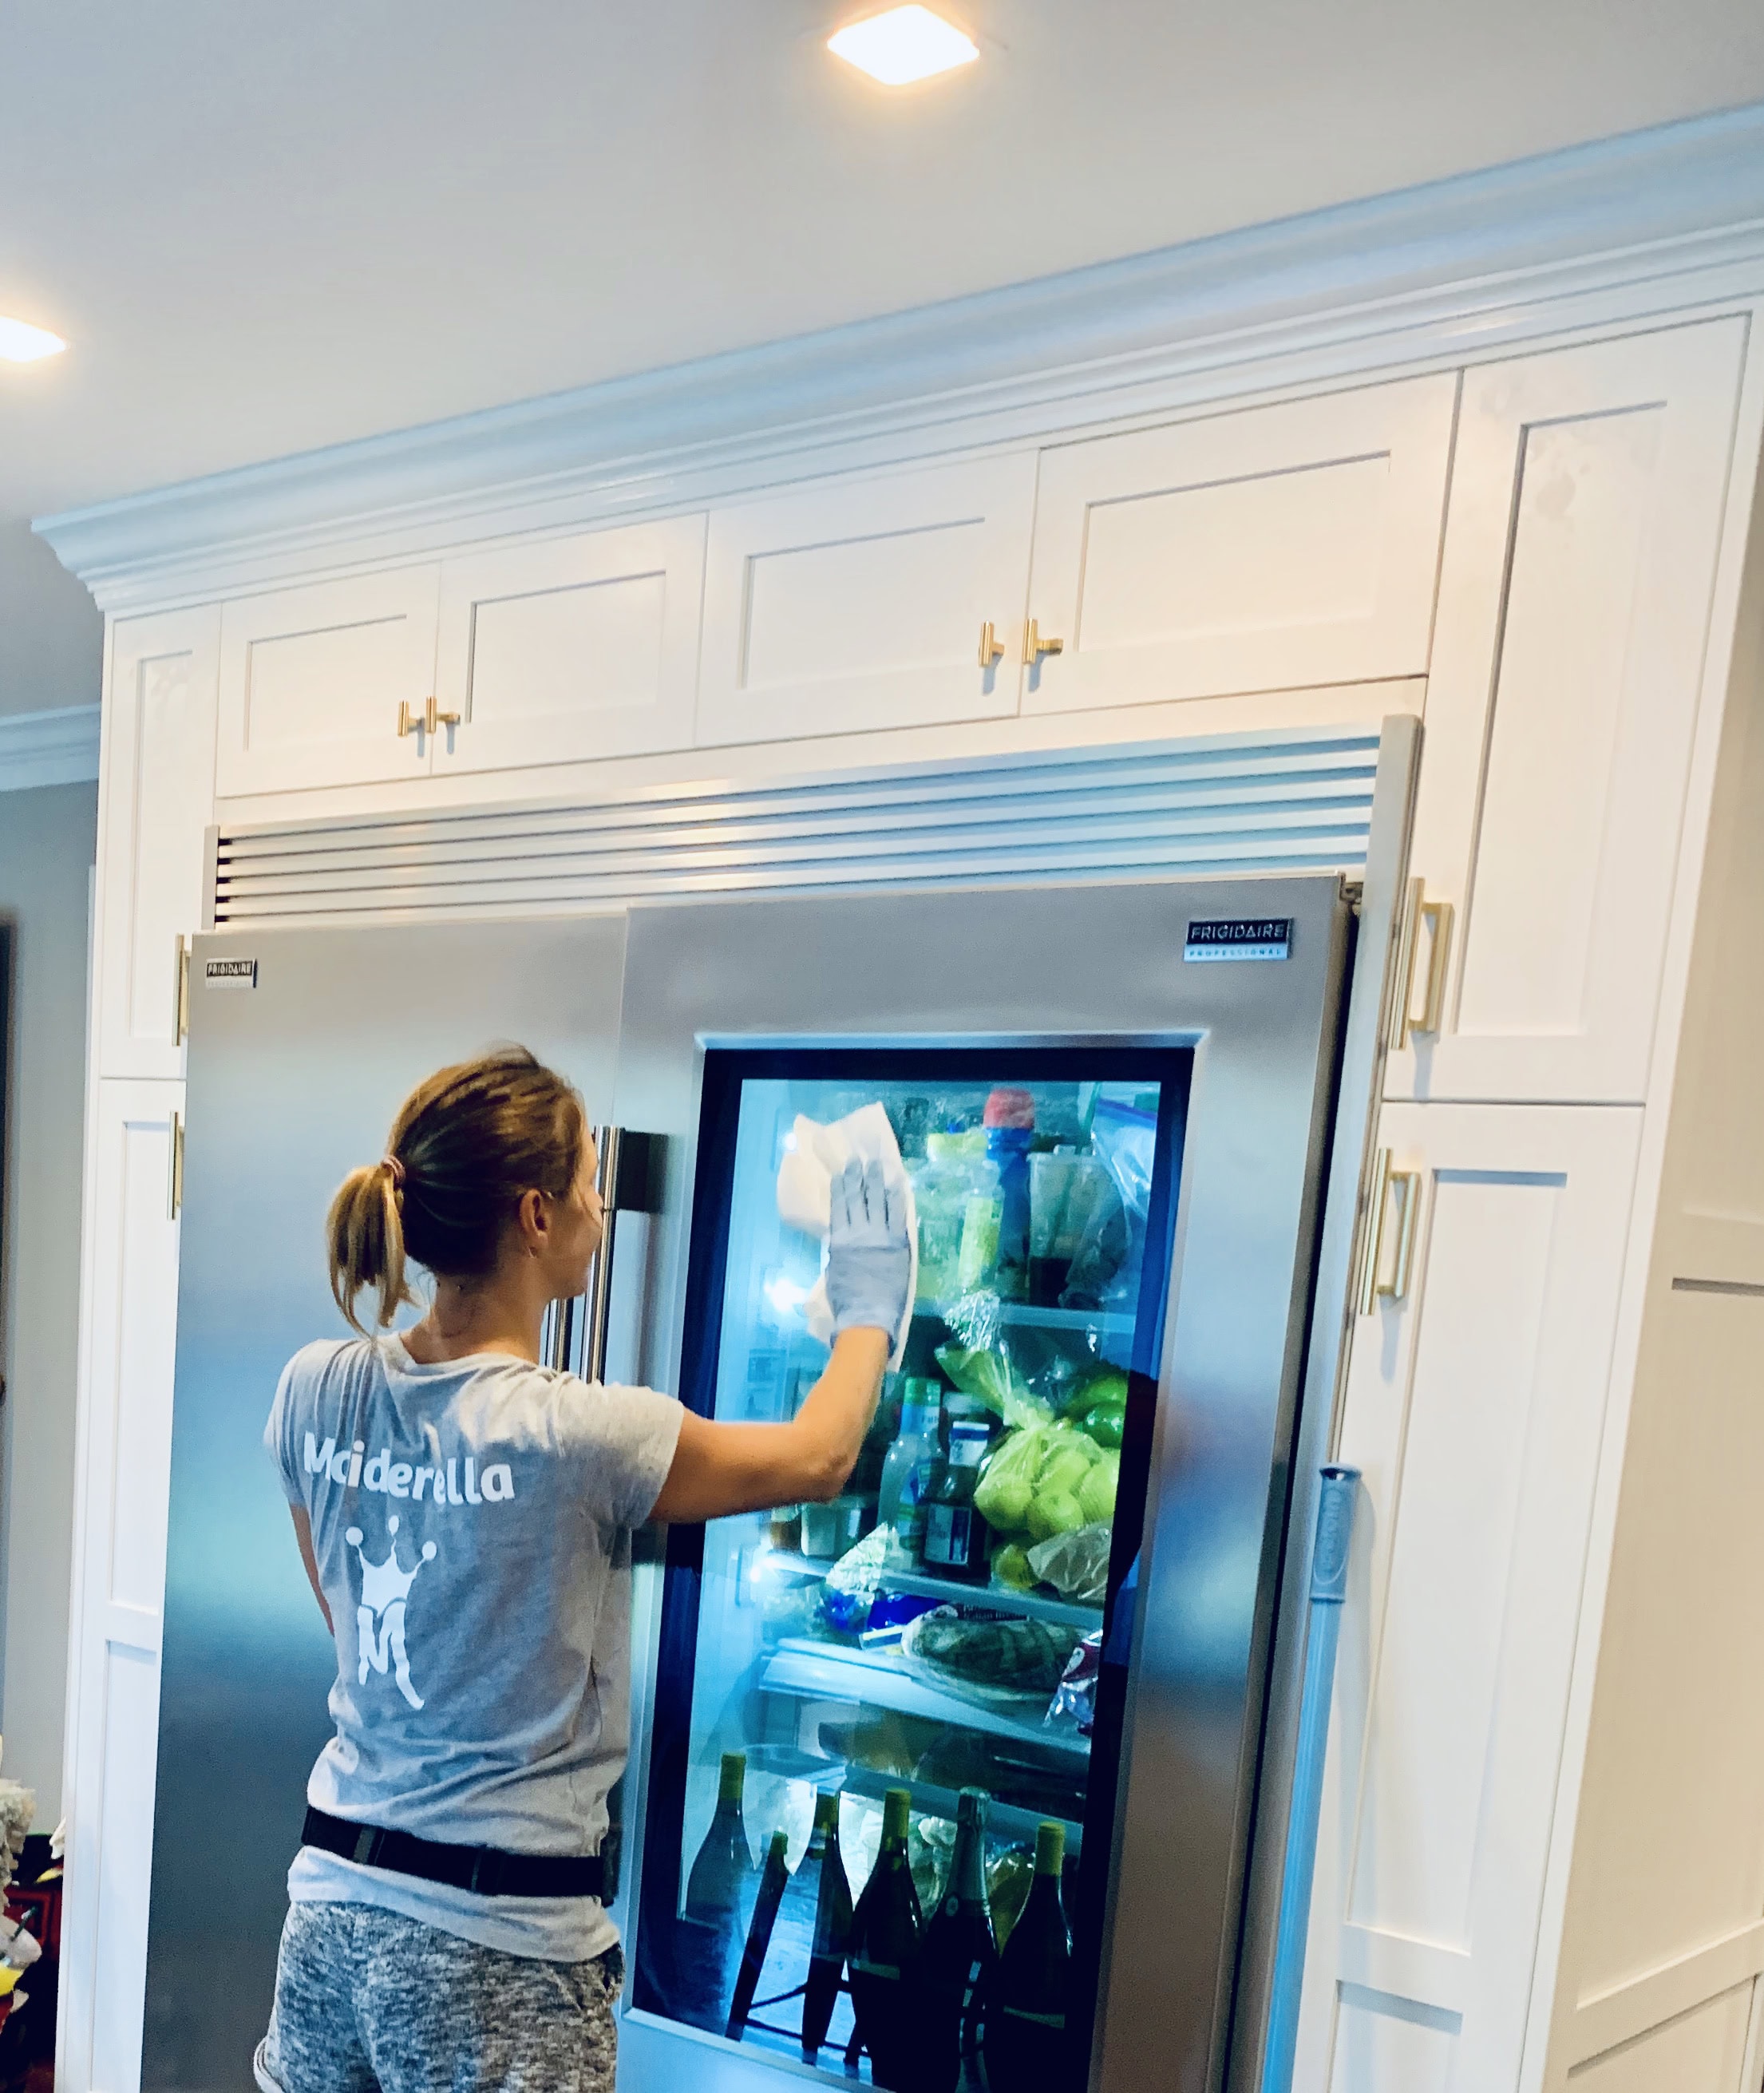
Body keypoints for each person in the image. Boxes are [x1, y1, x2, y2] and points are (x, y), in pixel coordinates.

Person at [255, 1047, 911, 2093]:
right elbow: (820, 1456)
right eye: (590, 1184)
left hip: (332, 1912)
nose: (603, 1208)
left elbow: (358, 1623)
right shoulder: (581, 1435)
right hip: (498, 1954)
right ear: (536, 1215)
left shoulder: (315, 1387)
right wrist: (871, 1297)